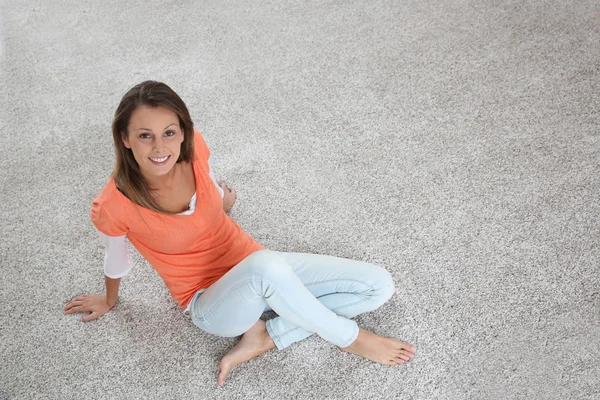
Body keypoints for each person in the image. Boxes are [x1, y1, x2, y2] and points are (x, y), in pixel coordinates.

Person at [63, 81, 416, 386]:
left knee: (378, 285)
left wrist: (220, 203)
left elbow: (211, 188)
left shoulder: (195, 148)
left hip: (254, 264)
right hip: (210, 303)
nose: (159, 148)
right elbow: (116, 259)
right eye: (145, 136)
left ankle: (268, 336)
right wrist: (109, 300)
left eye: (169, 132)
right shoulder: (113, 203)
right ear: (124, 139)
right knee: (267, 267)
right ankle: (350, 339)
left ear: (183, 132)